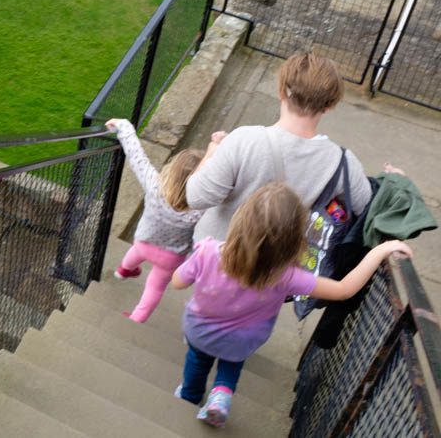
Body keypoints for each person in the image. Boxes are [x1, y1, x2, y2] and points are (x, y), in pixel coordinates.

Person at [171, 182, 411, 428]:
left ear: (239, 221)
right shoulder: (286, 277)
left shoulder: (208, 251)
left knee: (197, 361)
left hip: (200, 330)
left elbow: (178, 282)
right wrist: (379, 251)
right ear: (294, 240)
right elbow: (343, 290)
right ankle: (220, 398)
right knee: (231, 363)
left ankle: (189, 395)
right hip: (243, 341)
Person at [187, 52, 372, 243]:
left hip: (214, 256)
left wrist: (211, 153)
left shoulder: (243, 141)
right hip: (275, 266)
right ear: (330, 105)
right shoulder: (343, 163)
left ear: (281, 91)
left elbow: (196, 197)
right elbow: (365, 209)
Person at [106, 118, 209, 322]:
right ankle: (137, 317)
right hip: (171, 257)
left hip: (144, 242)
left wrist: (124, 126)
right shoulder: (202, 209)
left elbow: (137, 157)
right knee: (154, 287)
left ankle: (123, 270)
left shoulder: (155, 187)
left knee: (134, 253)